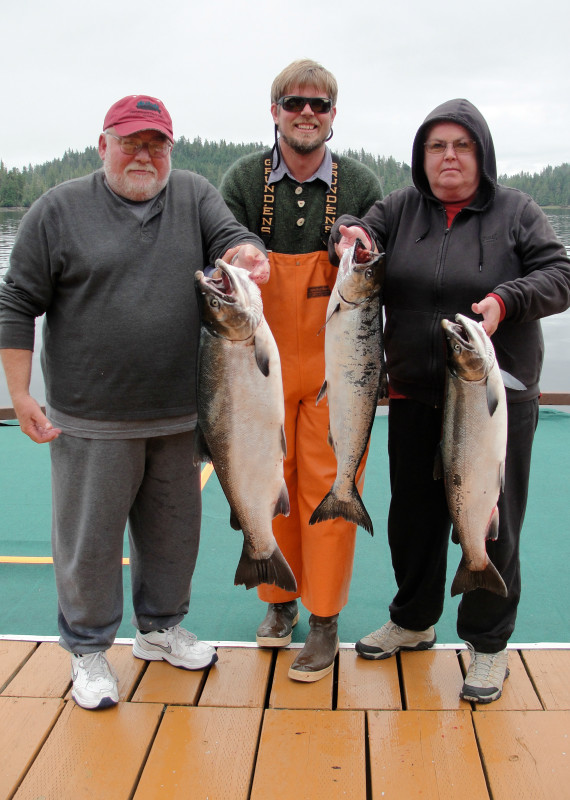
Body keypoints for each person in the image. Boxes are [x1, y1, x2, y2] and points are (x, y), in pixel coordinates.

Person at [0, 94, 269, 710]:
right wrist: (19, 393)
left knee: (174, 535)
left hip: (184, 414)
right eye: (131, 142)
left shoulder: (194, 195)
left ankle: (160, 630)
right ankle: (89, 651)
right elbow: (16, 303)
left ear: (171, 150)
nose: (143, 155)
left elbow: (230, 237)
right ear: (103, 146)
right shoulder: (56, 210)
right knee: (89, 542)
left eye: (156, 144)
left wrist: (246, 254)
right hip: (89, 419)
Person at [330, 98, 570, 703]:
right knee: (412, 521)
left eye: (461, 146)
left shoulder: (516, 211)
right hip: (412, 394)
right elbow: (361, 228)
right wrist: (349, 232)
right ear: (422, 156)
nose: (449, 157)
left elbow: (560, 275)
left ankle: (486, 646)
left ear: (481, 154)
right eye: (437, 146)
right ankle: (413, 619)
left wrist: (507, 300)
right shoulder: (402, 208)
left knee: (489, 522)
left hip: (492, 402)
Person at [220, 59, 382, 682]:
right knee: (271, 478)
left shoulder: (361, 180)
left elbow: (373, 240)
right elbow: (225, 232)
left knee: (328, 484)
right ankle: (278, 600)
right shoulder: (242, 176)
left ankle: (325, 619)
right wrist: (241, 250)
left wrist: (357, 240)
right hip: (259, 359)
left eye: (319, 104)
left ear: (334, 116)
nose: (307, 113)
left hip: (335, 364)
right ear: (275, 111)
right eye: (295, 103)